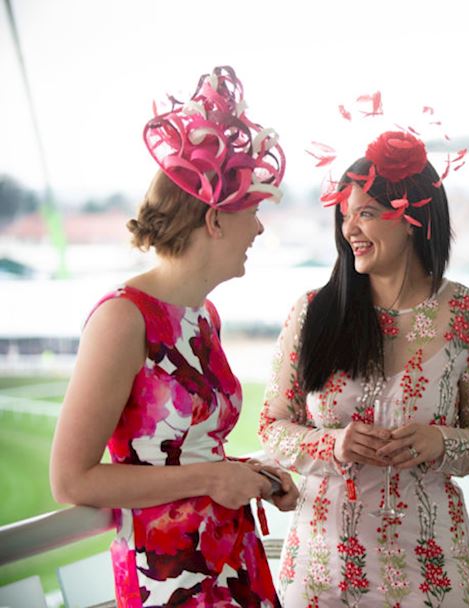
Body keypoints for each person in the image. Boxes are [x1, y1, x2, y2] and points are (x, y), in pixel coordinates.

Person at [49, 66, 298, 607]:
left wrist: (247, 474)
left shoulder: (203, 314)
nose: (258, 229)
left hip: (230, 555)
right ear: (213, 220)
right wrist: (211, 480)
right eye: (252, 213)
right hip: (170, 577)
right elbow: (72, 481)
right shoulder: (123, 319)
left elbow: (190, 454)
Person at [259, 129, 469, 607]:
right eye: (345, 215)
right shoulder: (312, 313)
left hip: (431, 566)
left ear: (412, 219)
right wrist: (332, 444)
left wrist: (441, 442)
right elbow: (271, 427)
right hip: (322, 571)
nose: (350, 228)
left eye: (367, 214)